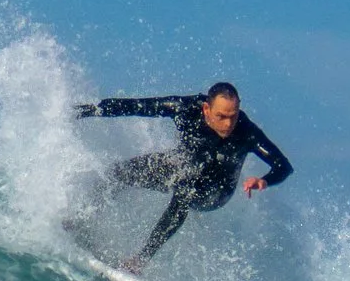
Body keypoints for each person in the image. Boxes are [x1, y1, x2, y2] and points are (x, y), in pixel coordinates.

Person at [73, 82, 293, 270]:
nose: (228, 124)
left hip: (216, 191)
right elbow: (136, 106)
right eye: (222, 116)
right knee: (118, 172)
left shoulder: (247, 131)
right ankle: (82, 219)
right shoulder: (185, 108)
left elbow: (283, 166)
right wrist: (87, 110)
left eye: (233, 116)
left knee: (184, 190)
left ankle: (139, 261)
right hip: (182, 168)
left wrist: (264, 180)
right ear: (206, 108)